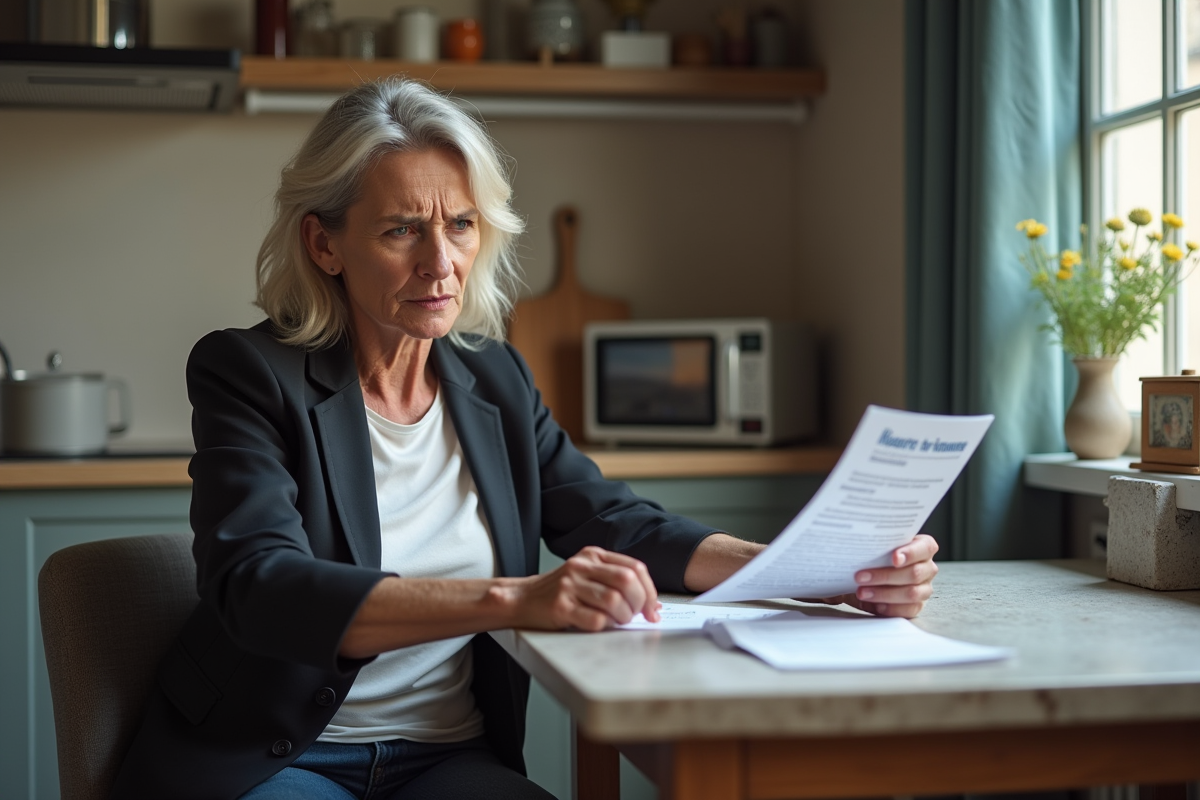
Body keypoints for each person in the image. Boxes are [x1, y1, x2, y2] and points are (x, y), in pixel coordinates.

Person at [111, 79, 940, 800]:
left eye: (462, 225)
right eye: (402, 230)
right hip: (271, 759)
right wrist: (518, 599)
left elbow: (613, 522)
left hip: (445, 759)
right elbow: (260, 587)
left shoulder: (492, 377)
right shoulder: (248, 372)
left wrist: (822, 576)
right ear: (325, 243)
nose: (442, 264)